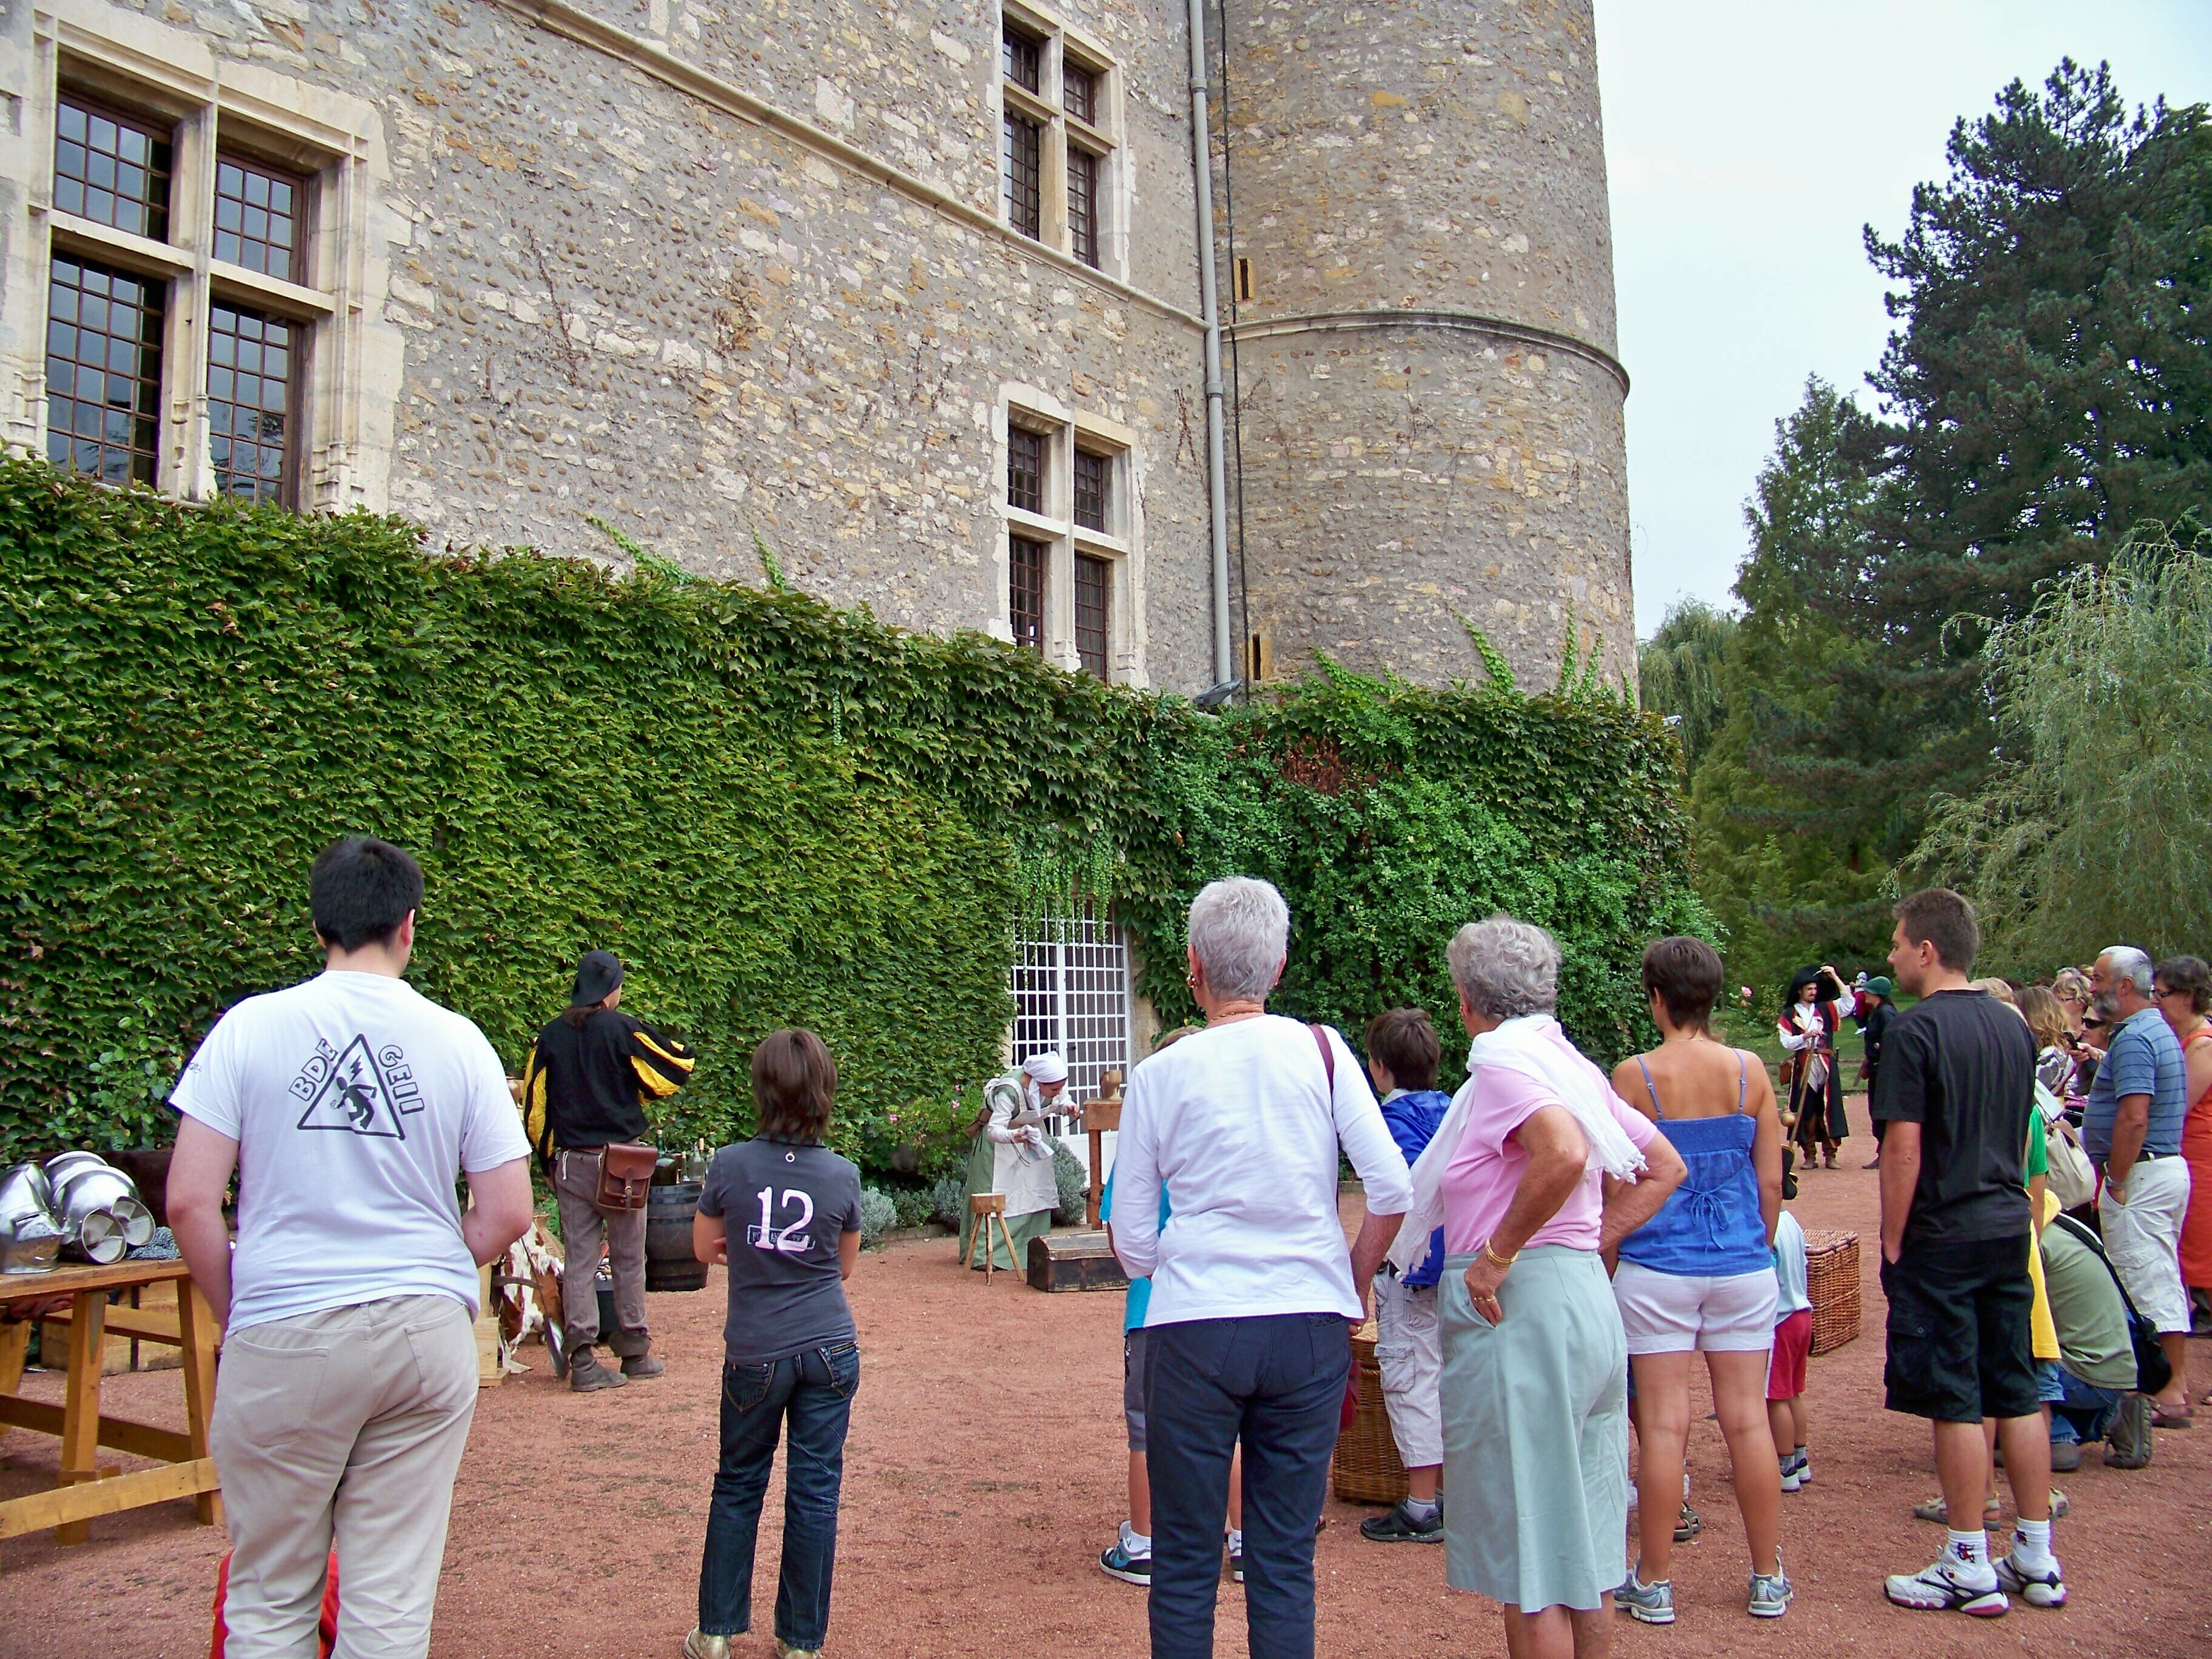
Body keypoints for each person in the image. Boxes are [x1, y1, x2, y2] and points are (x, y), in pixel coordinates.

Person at [166, 837, 534, 1659]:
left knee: (268, 1594)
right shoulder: (459, 1040)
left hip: (283, 1326)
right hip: (422, 1338)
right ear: (409, 926)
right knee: (391, 1600)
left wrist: (243, 1306)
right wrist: (436, 1267)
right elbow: (509, 1211)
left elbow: (190, 1199)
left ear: (318, 925)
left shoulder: (247, 1029)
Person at [1109, 877, 1413, 1659]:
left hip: (1193, 1325)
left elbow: (1133, 1236)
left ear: (1193, 968)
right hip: (1305, 1321)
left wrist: (1168, 1269)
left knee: (1182, 1565)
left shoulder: (1158, 1075)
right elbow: (1392, 1186)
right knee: (1282, 1563)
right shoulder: (1322, 1051)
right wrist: (1350, 1279)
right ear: (1278, 968)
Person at [1390, 914, 1686, 1659]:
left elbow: (1563, 1150)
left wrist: (1498, 1254)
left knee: (1530, 1557)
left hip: (1518, 1312)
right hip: (1583, 1302)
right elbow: (1664, 1167)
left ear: (1467, 1000)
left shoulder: (1502, 1071)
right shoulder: (1573, 1069)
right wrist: (1586, 1241)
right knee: (1583, 1550)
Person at [1871, 887, 2062, 1615]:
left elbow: (1903, 1147)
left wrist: (1894, 1238)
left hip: (1943, 1232)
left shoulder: (1917, 1035)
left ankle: (1967, 1559)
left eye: (1897, 943)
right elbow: (2021, 1132)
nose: (1891, 956)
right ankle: (2036, 1555)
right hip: (2008, 1224)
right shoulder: (2015, 1029)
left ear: (1927, 950)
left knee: (1955, 1394)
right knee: (2015, 1385)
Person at [1609, 936, 1789, 1624]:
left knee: (1662, 1428)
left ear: (1656, 997)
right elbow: (1770, 1180)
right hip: (1741, 1263)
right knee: (1747, 1422)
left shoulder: (1636, 1076)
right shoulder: (1750, 1072)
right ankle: (1767, 1575)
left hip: (1659, 1267)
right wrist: (1756, 1246)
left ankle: (1654, 1581)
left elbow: (1620, 1177)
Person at [687, 1029, 863, 1659]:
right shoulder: (843, 1173)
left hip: (756, 1349)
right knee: (815, 1492)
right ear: (823, 1091)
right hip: (829, 1349)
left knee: (737, 1483)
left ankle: (715, 1632)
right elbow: (842, 1266)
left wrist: (749, 1248)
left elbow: (703, 1248)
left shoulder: (730, 1163)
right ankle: (801, 1643)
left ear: (762, 1090)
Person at [1096, 1027, 1250, 1588]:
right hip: (1222, 1301)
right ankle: (1243, 1541)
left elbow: (1117, 1226)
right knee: (1231, 1429)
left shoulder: (1146, 1140)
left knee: (1146, 1433)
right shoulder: (1222, 1142)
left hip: (1153, 1309)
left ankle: (1143, 1544)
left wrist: (1144, 1271)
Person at [520, 948, 696, 1391]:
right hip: (623, 1164)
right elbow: (672, 1070)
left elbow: (534, 1110)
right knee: (628, 1256)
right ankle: (634, 1349)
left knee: (579, 1260)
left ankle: (582, 1361)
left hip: (572, 1162)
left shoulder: (550, 1037)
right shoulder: (623, 1030)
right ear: (612, 990)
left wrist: (546, 1160)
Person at [2083, 945, 2193, 1424]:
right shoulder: (2154, 1030)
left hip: (2143, 1173)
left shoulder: (2134, 1038)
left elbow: (2133, 1117)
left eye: (2100, 979)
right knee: (2154, 1272)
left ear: (2124, 986)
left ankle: (2169, 1389)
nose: (2093, 988)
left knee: (2147, 1279)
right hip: (2158, 1170)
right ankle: (2165, 1385)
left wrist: (2119, 1179)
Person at [1357, 1007, 1455, 1546]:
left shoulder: (1386, 1126)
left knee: (1410, 1375)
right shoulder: (1456, 1111)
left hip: (1412, 1270)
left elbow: (1393, 1203)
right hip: (1463, 1266)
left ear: (1379, 1069)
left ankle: (1420, 1504)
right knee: (1451, 1374)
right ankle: (1449, 1490)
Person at [2035, 1188, 2144, 1467]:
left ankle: (2054, 1438)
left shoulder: (2034, 1241)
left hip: (2085, 1374)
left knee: (1991, 1360)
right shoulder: (2067, 1225)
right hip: (2118, 1367)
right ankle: (2110, 1413)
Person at [959, 1051, 1068, 1272]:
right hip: (1000, 1149)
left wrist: (1068, 1108)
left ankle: (1032, 1251)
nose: (1058, 1092)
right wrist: (1014, 1136)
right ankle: (988, 1255)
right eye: (1055, 1088)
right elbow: (994, 1130)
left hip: (1031, 1142)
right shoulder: (1008, 1092)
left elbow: (1059, 1102)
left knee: (1033, 1192)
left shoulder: (1049, 1087)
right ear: (1038, 1082)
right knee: (1002, 1195)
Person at [2153, 956, 2212, 1351]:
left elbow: (2181, 1102)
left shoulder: (2201, 1045)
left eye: (2164, 995)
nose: (2157, 1002)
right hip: (2186, 1151)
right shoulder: (2181, 1039)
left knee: (2200, 1233)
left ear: (2188, 996)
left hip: (2201, 1152)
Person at [1778, 966, 1851, 1169]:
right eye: (1809, 988)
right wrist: (1805, 1037)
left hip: (1825, 1064)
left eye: (1815, 988)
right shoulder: (1790, 1014)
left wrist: (1835, 977)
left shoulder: (1826, 1009)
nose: (1813, 992)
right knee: (1807, 1109)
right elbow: (1786, 1042)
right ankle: (1810, 1155)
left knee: (1827, 1107)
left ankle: (1830, 1154)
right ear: (1800, 991)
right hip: (1804, 1065)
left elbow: (1849, 1003)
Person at [1769, 1200, 1814, 1493]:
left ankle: (1785, 1467)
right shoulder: (1791, 1220)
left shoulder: (1767, 1224)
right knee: (1794, 1392)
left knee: (1774, 1397)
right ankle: (1800, 1459)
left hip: (1781, 1319)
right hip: (1802, 1315)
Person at [1857, 976, 1897, 1168]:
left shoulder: (1886, 1013)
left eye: (1869, 991)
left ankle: (1886, 1152)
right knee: (1876, 1108)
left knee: (1881, 1108)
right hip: (1876, 1067)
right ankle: (1884, 1150)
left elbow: (1892, 1039)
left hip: (1882, 1068)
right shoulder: (1878, 1012)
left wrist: (1879, 1052)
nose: (1865, 994)